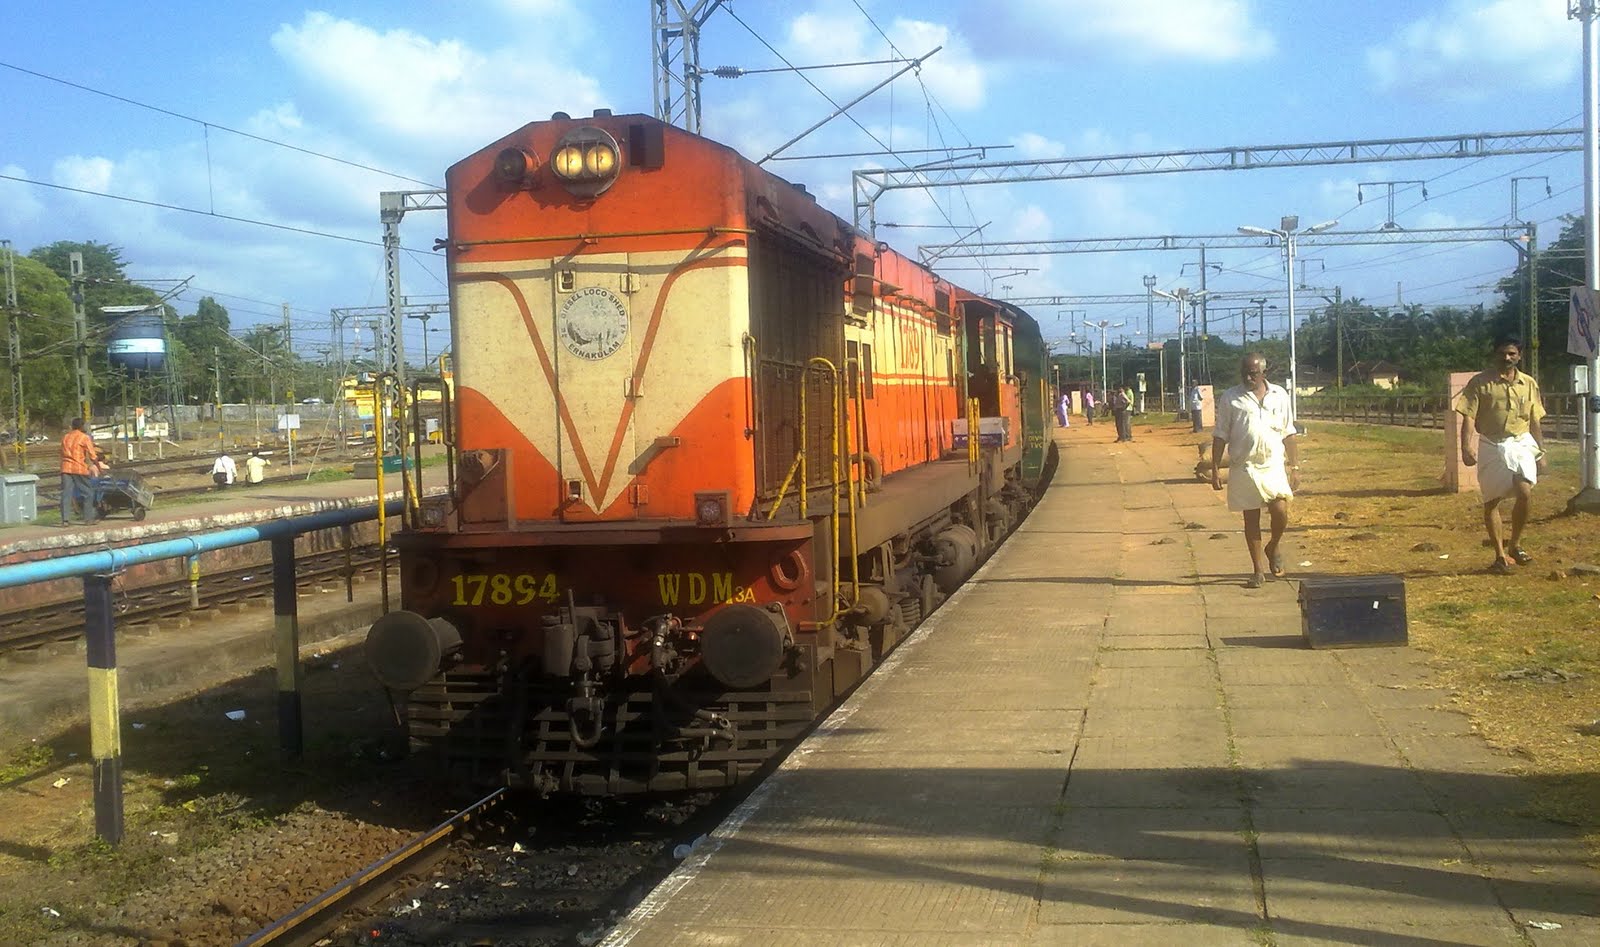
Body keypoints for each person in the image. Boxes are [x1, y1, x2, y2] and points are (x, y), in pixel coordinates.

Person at [1454, 335, 1546, 575]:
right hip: (1492, 444)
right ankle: (1500, 555)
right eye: (1502, 353)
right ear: (1495, 355)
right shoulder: (1480, 383)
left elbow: (1535, 420)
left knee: (1524, 492)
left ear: (1519, 356)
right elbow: (1469, 416)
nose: (1507, 358)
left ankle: (1515, 544)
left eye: (1511, 353)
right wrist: (1466, 447)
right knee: (1492, 501)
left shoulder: (1528, 383)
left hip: (1521, 443)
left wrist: (1541, 451)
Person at [1212, 353, 1299, 588]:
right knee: (1251, 518)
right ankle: (1258, 570)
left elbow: (1289, 432)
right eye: (1244, 374)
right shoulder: (1231, 397)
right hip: (1244, 465)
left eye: (1253, 374)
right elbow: (1220, 434)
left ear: (1264, 373)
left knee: (1280, 510)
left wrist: (1295, 467)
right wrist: (1215, 467)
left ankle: (1274, 545)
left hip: (1273, 463)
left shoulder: (1279, 395)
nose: (1248, 378)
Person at [58, 418, 97, 526]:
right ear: (81, 426)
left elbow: (61, 453)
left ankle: (65, 520)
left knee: (66, 493)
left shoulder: (65, 437)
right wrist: (97, 466)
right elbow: (93, 455)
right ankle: (88, 519)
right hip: (79, 468)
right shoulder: (84, 437)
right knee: (88, 493)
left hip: (66, 468)